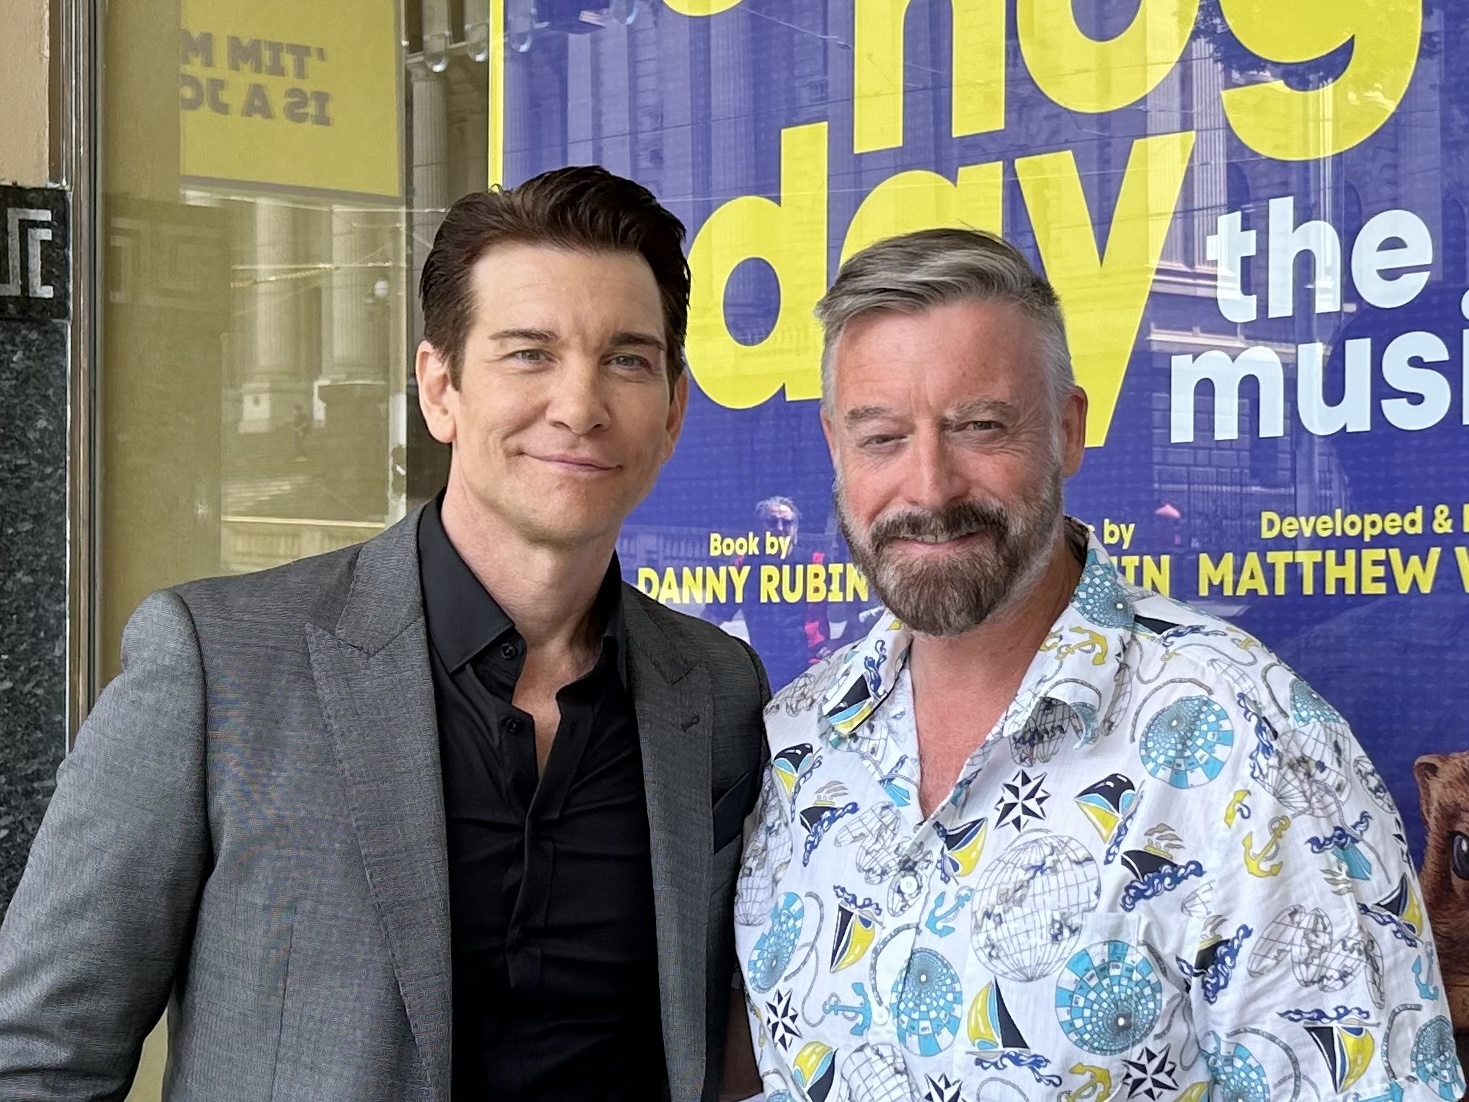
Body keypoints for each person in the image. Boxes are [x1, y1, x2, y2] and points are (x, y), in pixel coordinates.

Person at [0, 168, 770, 1102]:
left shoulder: (720, 691)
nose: (579, 404)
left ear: (673, 411)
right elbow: (39, 1057)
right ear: (438, 387)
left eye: (627, 359)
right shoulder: (219, 666)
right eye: (529, 353)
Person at [733, 228, 1462, 1102]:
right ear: (834, 449)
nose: (928, 487)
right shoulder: (801, 741)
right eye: (882, 437)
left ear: (1067, 430)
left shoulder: (1247, 738)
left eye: (978, 426)